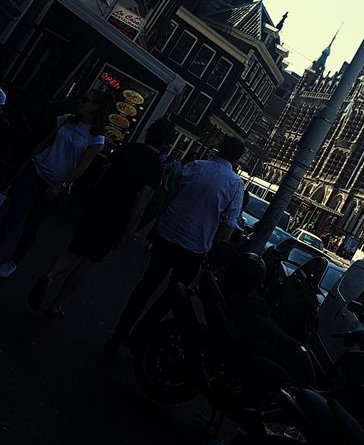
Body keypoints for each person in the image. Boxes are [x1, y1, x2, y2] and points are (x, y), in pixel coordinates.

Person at [104, 135, 246, 352]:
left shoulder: (195, 167)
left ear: (219, 149)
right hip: (195, 247)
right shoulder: (236, 185)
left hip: (169, 233)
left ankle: (120, 332)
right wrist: (216, 254)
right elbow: (227, 224)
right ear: (238, 159)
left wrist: (158, 223)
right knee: (172, 296)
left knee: (147, 284)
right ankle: (141, 336)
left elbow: (171, 195)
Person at [27, 118, 177, 319]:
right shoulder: (155, 167)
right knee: (87, 260)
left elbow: (106, 171)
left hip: (99, 203)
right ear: (165, 144)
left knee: (74, 248)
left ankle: (49, 275)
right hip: (117, 215)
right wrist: (129, 231)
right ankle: (56, 304)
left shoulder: (127, 148)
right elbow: (141, 201)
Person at [0, 89, 113, 279]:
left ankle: (13, 262)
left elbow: (82, 167)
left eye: (86, 100)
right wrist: (24, 166)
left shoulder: (96, 139)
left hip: (54, 185)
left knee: (32, 225)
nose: (81, 101)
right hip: (37, 171)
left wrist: (61, 185)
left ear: (95, 107)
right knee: (14, 214)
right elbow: (44, 143)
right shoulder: (66, 119)